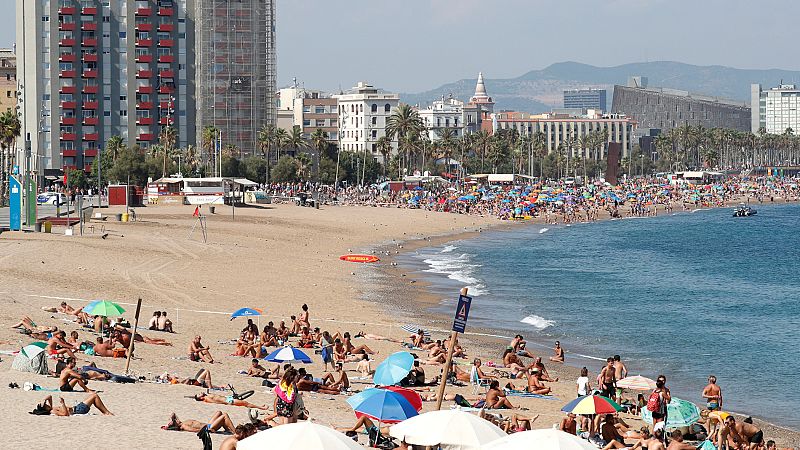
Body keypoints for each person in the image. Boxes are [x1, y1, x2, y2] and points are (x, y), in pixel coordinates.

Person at [32, 393, 113, 416]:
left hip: (77, 407)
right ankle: (106, 412)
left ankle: (105, 412)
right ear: (45, 409)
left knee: (94, 397)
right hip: (78, 410)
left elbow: (50, 396)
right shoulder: (53, 411)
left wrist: (44, 400)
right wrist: (63, 403)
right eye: (46, 405)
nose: (47, 404)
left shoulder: (51, 408)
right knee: (94, 396)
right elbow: (65, 414)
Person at [162, 411, 235, 433]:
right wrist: (207, 430)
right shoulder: (183, 426)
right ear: (176, 425)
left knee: (219, 412)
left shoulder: (181, 422)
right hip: (209, 427)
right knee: (224, 415)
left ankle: (227, 430)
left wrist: (171, 419)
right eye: (175, 421)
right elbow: (194, 430)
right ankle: (235, 431)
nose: (176, 420)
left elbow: (173, 414)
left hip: (208, 424)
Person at [193, 392, 269, 410]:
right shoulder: (207, 399)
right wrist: (226, 403)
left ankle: (260, 406)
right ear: (200, 398)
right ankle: (261, 407)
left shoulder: (207, 396)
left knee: (245, 403)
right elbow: (216, 402)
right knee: (245, 403)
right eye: (199, 394)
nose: (200, 393)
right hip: (228, 401)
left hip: (228, 399)